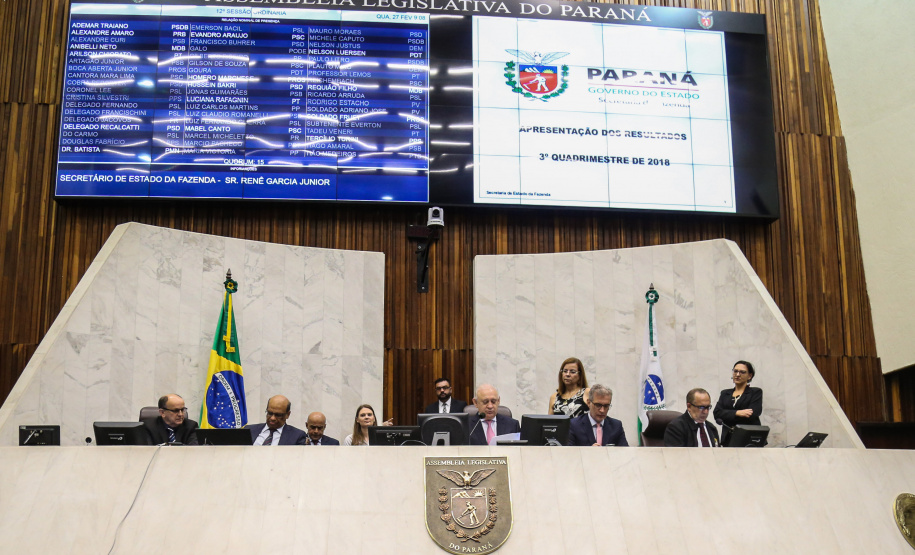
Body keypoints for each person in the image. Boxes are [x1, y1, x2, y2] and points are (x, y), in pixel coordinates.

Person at [713, 360, 763, 446]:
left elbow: (753, 414)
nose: (737, 374)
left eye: (742, 372)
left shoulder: (755, 392)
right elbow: (717, 413)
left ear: (749, 376)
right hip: (728, 439)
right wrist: (737, 413)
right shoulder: (725, 393)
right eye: (735, 371)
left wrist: (727, 415)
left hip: (749, 439)